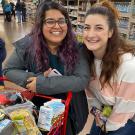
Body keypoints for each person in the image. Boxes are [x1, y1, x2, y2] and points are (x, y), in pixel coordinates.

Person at [3, 1, 90, 135]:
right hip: (40, 109)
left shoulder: (77, 48)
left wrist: (43, 83)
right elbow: (8, 69)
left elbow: (81, 80)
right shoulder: (28, 45)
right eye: (50, 21)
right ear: (40, 24)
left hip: (71, 110)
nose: (57, 26)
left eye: (61, 21)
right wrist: (32, 79)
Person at [83, 1, 135, 135]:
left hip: (128, 116)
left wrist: (106, 127)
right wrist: (98, 117)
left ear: (110, 32)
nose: (90, 34)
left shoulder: (128, 65)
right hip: (105, 111)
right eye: (87, 27)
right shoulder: (86, 58)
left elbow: (125, 108)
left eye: (99, 28)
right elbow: (91, 93)